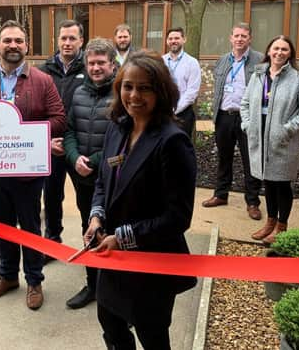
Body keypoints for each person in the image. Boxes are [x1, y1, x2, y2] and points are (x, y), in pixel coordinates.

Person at [84, 50, 197, 349]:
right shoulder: (117, 128)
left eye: (144, 87)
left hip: (151, 265)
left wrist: (121, 238)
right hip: (112, 262)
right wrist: (96, 216)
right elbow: (102, 182)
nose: (134, 95)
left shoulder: (173, 142)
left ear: (161, 91)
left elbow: (178, 218)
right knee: (111, 327)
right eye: (128, 86)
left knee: (153, 338)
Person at [0, 20, 66, 310]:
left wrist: (26, 135)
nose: (13, 46)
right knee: (2, 226)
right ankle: (7, 277)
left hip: (27, 173)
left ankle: (34, 281)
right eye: (7, 40)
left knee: (30, 227)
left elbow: (59, 118)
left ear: (27, 46)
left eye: (18, 41)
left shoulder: (42, 80)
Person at [241, 35, 299, 244]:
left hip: (282, 140)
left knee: (282, 184)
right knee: (268, 183)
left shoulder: (298, 78)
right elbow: (245, 103)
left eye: (284, 49)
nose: (279, 53)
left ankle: (282, 227)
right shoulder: (258, 75)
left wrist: (288, 129)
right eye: (276, 48)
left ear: (290, 53)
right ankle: (270, 223)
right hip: (259, 136)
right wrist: (247, 125)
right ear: (269, 51)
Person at [63, 38, 116, 309]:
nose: (96, 68)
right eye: (91, 63)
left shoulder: (122, 93)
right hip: (83, 177)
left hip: (113, 178)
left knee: (114, 231)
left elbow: (122, 138)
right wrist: (74, 158)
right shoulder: (79, 92)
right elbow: (70, 130)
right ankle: (93, 284)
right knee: (88, 228)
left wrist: (93, 161)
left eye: (101, 63)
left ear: (112, 64)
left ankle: (115, 288)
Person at [202, 23, 264, 221]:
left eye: (243, 36)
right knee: (224, 158)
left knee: (250, 160)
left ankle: (253, 202)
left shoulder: (260, 60)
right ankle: (221, 194)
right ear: (230, 38)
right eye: (236, 35)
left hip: (247, 118)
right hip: (224, 116)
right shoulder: (222, 60)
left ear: (249, 39)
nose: (239, 39)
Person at [38, 19, 85, 249]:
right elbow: (35, 110)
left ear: (81, 41)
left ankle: (91, 241)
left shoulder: (90, 69)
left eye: (72, 38)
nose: (67, 43)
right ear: (57, 40)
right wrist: (45, 141)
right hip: (52, 146)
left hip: (80, 148)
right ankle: (52, 240)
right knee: (52, 197)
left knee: (86, 198)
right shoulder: (43, 71)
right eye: (63, 38)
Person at [162, 27, 201, 137]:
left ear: (184, 40)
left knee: (181, 149)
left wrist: (174, 110)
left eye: (177, 38)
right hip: (162, 113)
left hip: (183, 114)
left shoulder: (192, 63)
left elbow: (192, 92)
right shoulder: (161, 61)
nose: (173, 41)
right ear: (167, 41)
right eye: (170, 38)